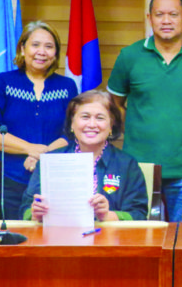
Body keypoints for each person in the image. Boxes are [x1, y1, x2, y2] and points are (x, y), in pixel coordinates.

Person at [107, 0, 182, 222]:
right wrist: (141, 123)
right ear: (149, 18)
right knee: (140, 238)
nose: (166, 21)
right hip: (140, 168)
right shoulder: (130, 56)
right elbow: (114, 104)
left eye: (173, 14)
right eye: (159, 14)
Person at [0, 21, 78, 220]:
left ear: (55, 53)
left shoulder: (67, 86)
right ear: (23, 49)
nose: (42, 52)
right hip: (9, 180)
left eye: (49, 47)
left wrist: (41, 154)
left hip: (53, 179)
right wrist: (29, 148)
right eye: (35, 45)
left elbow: (72, 133)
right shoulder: (4, 82)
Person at [21, 90, 148, 221]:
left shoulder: (126, 164)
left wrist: (107, 216)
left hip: (109, 238)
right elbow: (25, 209)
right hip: (58, 237)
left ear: (111, 126)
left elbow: (139, 214)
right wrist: (35, 214)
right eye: (85, 117)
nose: (92, 125)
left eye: (100, 118)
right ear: (72, 123)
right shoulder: (49, 161)